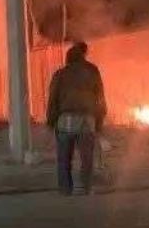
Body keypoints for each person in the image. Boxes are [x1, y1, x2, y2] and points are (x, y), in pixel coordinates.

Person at [46, 41, 107, 196]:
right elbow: (100, 98)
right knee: (87, 158)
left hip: (65, 121)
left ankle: (65, 189)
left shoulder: (60, 74)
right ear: (83, 56)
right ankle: (86, 187)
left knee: (64, 159)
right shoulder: (92, 71)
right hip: (87, 120)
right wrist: (99, 121)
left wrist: (51, 121)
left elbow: (53, 99)